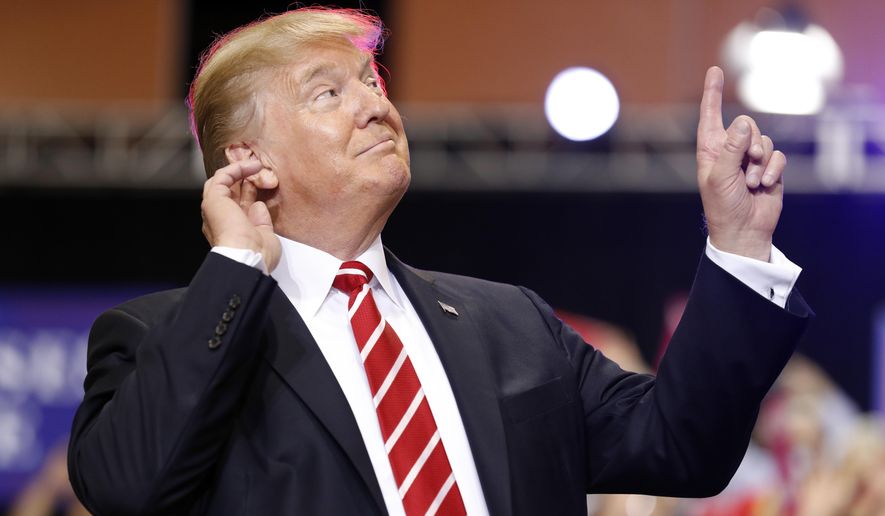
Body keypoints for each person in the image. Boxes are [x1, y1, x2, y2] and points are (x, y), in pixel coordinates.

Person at [67, 7, 811, 516]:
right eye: (328, 92)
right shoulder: (160, 338)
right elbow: (130, 489)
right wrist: (233, 262)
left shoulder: (509, 322)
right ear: (249, 159)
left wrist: (738, 249)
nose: (373, 105)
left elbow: (680, 445)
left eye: (371, 82)